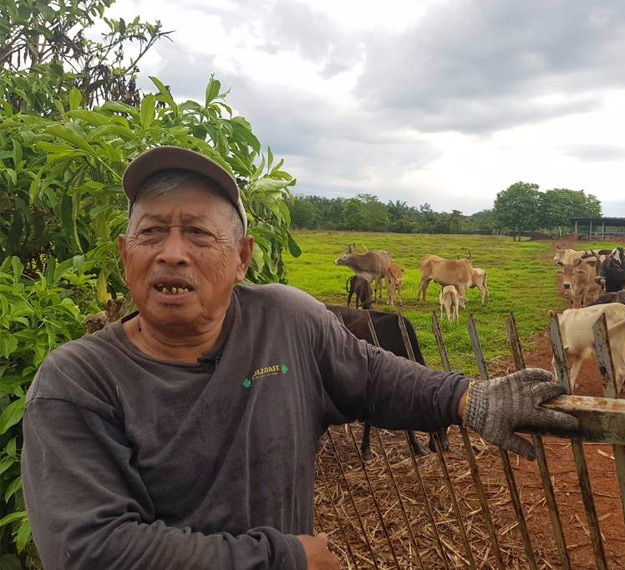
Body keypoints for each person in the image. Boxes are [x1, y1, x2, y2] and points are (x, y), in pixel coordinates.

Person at [21, 146, 578, 569]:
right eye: (151, 233)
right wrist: (283, 559)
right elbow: (91, 550)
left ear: (242, 258)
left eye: (197, 233)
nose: (172, 253)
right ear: (126, 255)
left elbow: (374, 376)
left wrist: (468, 397)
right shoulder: (78, 381)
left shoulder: (285, 320)